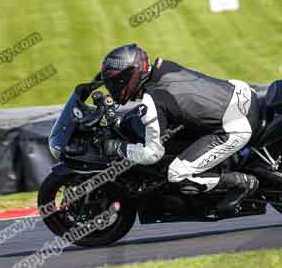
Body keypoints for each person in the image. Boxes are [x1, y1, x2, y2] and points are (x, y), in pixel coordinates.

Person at [94, 43, 260, 216]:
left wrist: (118, 147)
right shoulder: (163, 68)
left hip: (234, 126)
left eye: (113, 82)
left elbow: (152, 154)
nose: (111, 87)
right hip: (241, 94)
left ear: (127, 78)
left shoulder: (152, 102)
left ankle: (242, 182)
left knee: (177, 174)